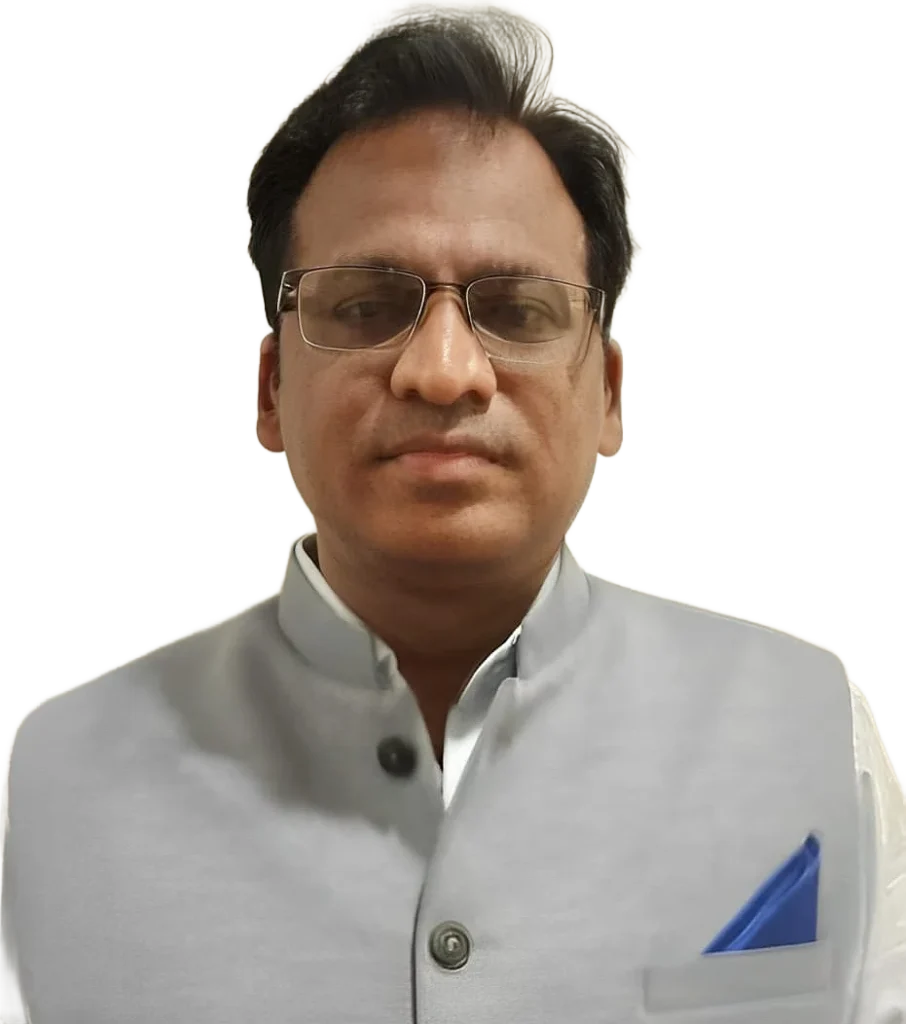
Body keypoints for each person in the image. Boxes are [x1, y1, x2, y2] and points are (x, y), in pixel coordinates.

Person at [2, 2, 902, 1021]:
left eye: (516, 310)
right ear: (270, 390)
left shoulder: (807, 726)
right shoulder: (55, 781)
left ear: (610, 396)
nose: (441, 371)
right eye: (365, 306)